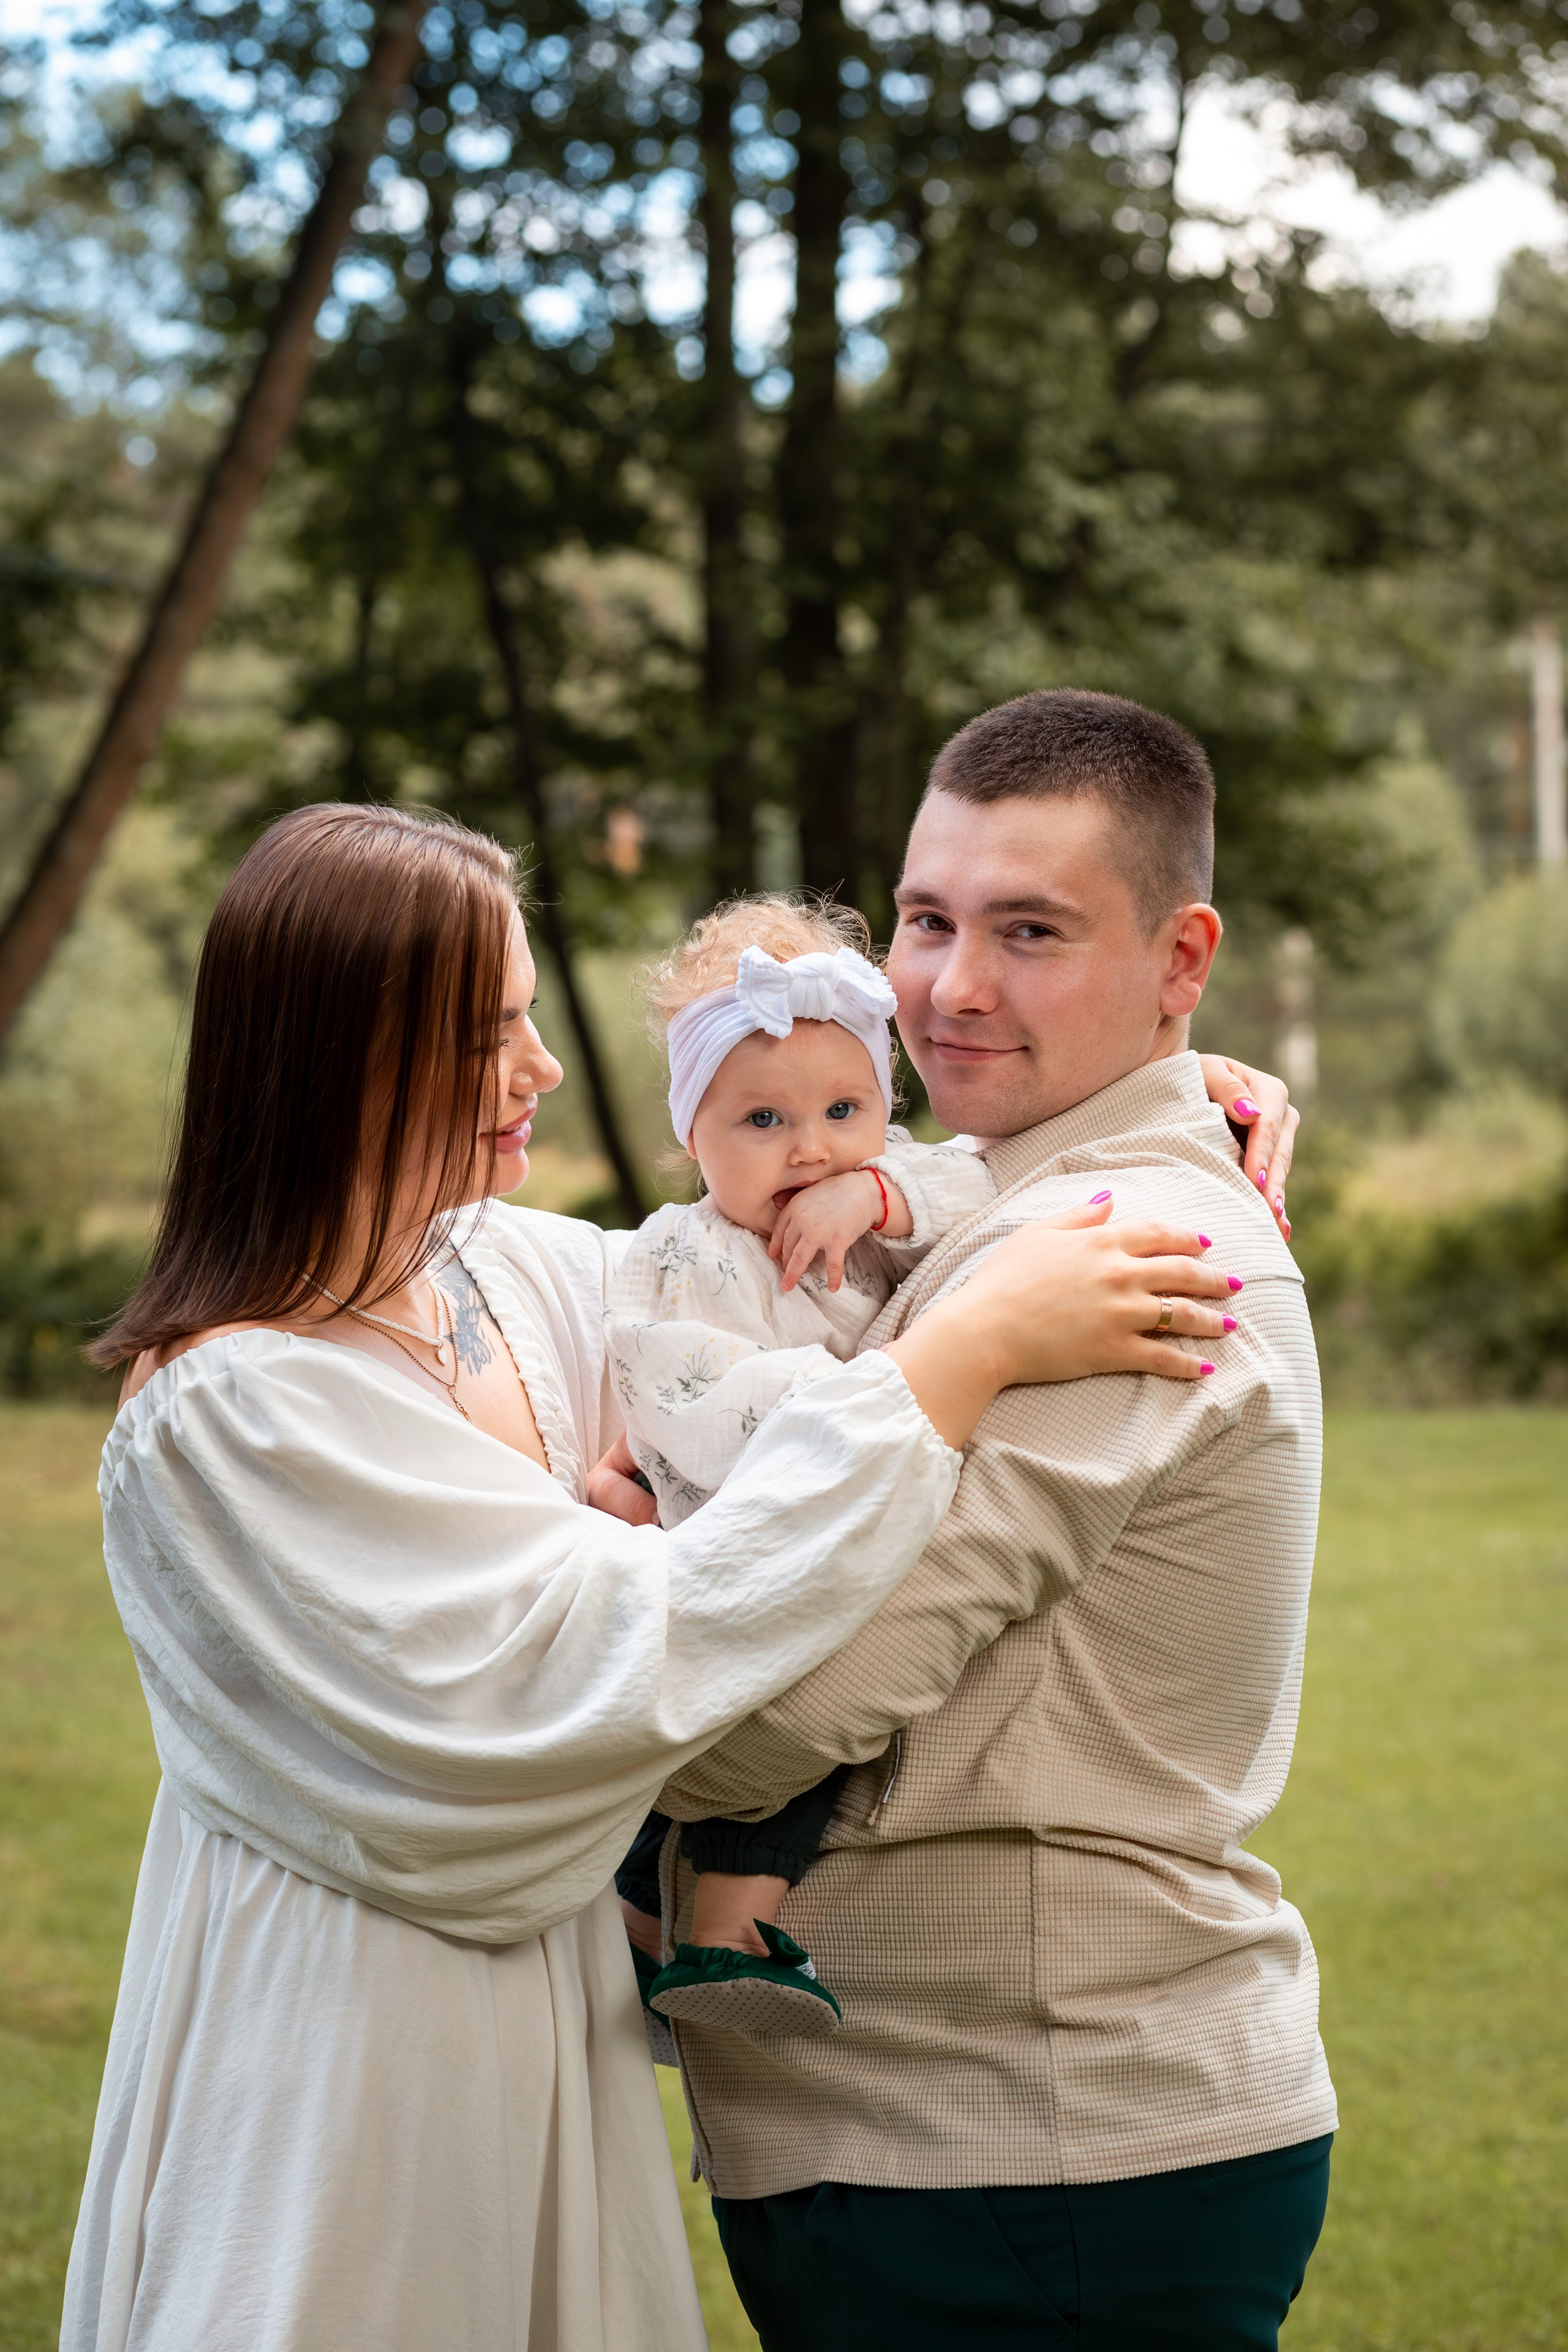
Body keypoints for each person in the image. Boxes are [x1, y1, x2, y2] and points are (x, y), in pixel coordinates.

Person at [62, 801, 1243, 2352]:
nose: (541, 1067)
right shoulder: (230, 1411)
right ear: (345, 1056)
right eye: (492, 1031)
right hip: (348, 2062)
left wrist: (1160, 1095)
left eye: (530, 1016)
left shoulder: (490, 1268)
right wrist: (956, 1363)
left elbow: (751, 1257)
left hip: (544, 2023)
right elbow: (595, 1667)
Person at [655, 688, 1335, 2352]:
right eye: (927, 918)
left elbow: (777, 1714)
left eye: (1030, 931)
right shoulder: (1006, 1206)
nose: (953, 989)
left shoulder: (1130, 1256)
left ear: (1184, 961)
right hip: (943, 2137)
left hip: (1036, 2149)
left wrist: (544, 1691)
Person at [602, 893, 1283, 2043]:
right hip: (733, 1530)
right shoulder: (679, 1256)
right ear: (690, 1137)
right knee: (783, 1721)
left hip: (849, 1533)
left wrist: (880, 1189)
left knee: (833, 1733)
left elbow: (999, 1178)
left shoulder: (892, 1211)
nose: (809, 1145)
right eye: (761, 1119)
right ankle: (662, 1919)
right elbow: (690, 1397)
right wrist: (905, 1388)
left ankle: (708, 1925)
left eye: (843, 1108)